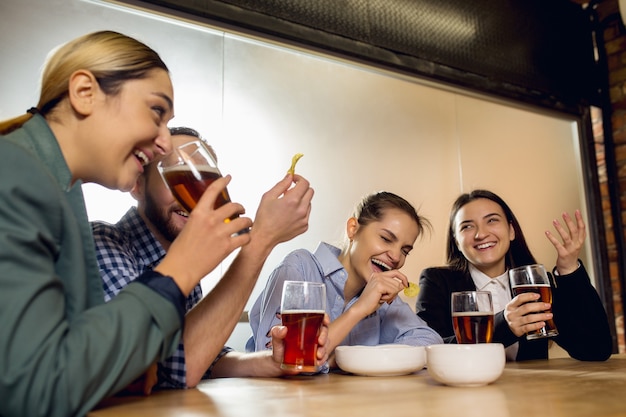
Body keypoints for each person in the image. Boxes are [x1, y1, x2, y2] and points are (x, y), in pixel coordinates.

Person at [0, 30, 274, 417]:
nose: (164, 143)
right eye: (157, 112)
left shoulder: (57, 187)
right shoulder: (17, 174)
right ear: (84, 92)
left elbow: (96, 361)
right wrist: (178, 270)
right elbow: (35, 388)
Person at [92, 126, 323, 388]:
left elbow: (207, 357)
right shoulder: (102, 243)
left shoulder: (180, 256)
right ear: (137, 184)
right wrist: (261, 239)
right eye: (174, 175)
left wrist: (272, 361)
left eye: (204, 180)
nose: (193, 198)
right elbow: (170, 366)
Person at [247, 191, 443, 368]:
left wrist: (342, 359)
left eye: (405, 250)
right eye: (386, 238)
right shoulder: (300, 267)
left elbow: (429, 340)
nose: (396, 256)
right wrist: (359, 309)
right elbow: (280, 361)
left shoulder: (383, 296)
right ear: (353, 229)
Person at [416, 189, 613, 361]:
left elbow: (595, 349)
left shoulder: (535, 284)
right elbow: (427, 351)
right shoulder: (437, 281)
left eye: (492, 220)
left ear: (511, 231)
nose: (480, 234)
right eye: (467, 226)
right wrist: (504, 325)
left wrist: (569, 269)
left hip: (530, 399)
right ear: (457, 241)